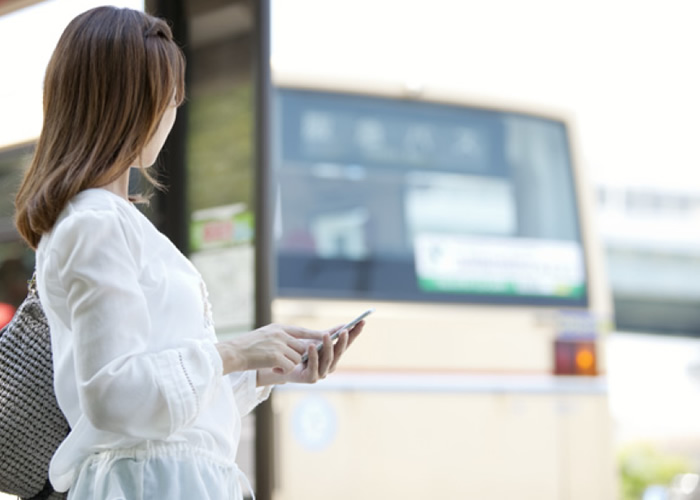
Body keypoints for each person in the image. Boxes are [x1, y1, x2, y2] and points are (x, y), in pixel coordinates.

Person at [13, 6, 364, 500]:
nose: (174, 112)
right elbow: (115, 397)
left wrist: (261, 369)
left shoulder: (109, 220)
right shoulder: (95, 222)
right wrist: (234, 352)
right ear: (131, 104)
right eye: (169, 98)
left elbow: (164, 411)